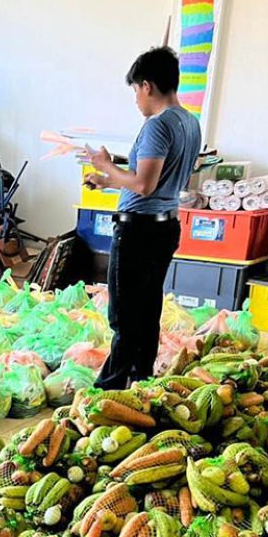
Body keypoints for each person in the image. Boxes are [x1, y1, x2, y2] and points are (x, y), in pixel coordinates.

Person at [85, 46, 202, 389]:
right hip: (165, 226)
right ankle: (142, 380)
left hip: (139, 231)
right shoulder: (189, 122)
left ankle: (109, 389)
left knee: (124, 315)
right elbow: (156, 182)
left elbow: (144, 185)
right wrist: (107, 181)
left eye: (136, 90)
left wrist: (106, 165)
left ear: (147, 86)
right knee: (147, 309)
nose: (136, 99)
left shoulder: (157, 126)